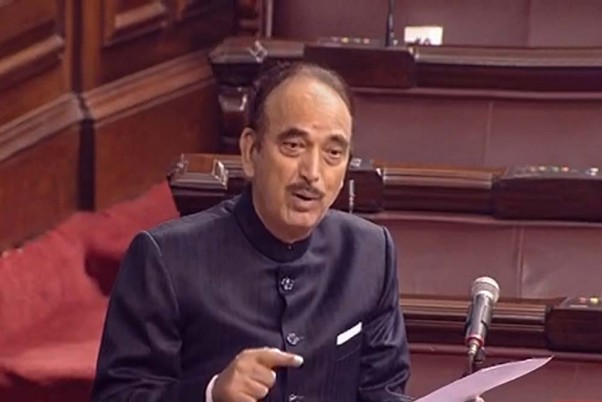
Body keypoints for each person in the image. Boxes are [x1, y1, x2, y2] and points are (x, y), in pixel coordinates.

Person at [91, 62, 410, 402]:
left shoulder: (370, 253)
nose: (313, 173)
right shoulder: (166, 258)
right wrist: (211, 394)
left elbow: (384, 392)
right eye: (293, 145)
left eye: (333, 152)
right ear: (250, 152)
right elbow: (118, 396)